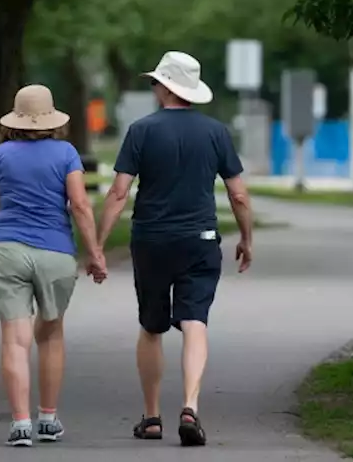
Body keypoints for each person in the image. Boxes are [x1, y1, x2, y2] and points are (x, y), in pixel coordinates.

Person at [98, 51, 255, 447]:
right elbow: (238, 195)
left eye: (155, 82)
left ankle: (151, 417)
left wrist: (98, 245)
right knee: (194, 322)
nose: (152, 88)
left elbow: (119, 192)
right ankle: (190, 405)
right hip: (200, 240)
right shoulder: (216, 132)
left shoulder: (141, 131)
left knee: (151, 327)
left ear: (165, 87)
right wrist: (246, 239)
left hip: (151, 239)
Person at [0, 85, 107, 447]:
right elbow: (80, 205)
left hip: (8, 251)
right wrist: (94, 253)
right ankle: (47, 419)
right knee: (50, 335)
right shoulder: (66, 153)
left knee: (14, 341)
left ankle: (20, 424)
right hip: (56, 253)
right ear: (52, 118)